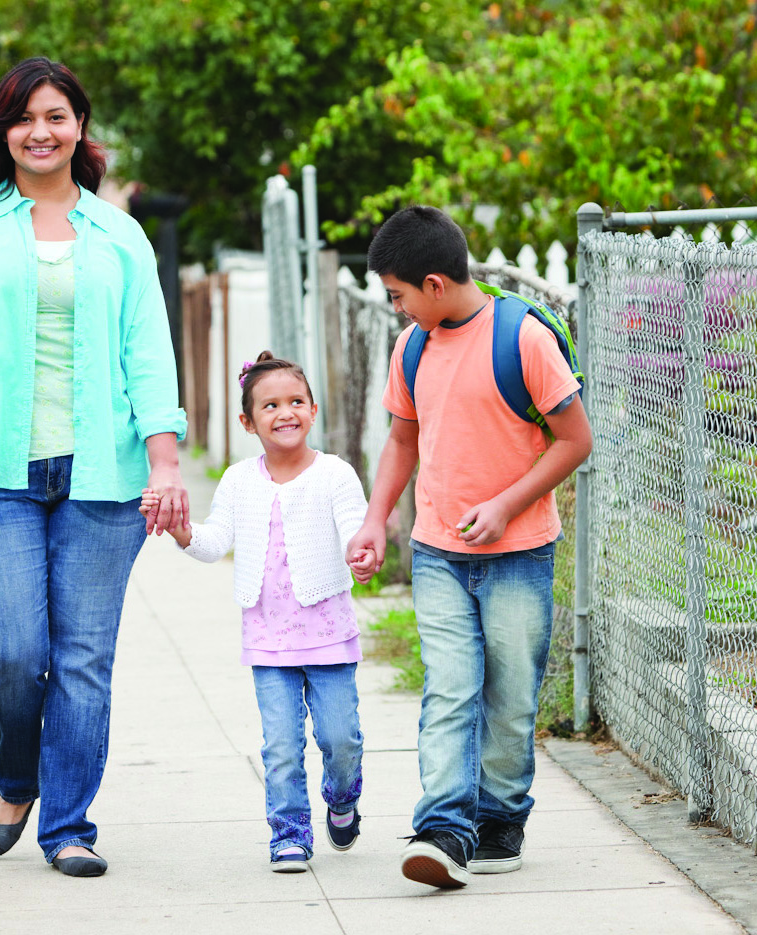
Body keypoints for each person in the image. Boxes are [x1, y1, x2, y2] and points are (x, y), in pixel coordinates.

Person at [0, 57, 188, 878]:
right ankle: (15, 772)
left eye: (56, 115)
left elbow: (148, 357)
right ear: (3, 131)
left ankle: (69, 826)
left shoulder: (118, 234)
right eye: (25, 118)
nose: (41, 131)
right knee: (14, 652)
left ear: (79, 127)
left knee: (84, 658)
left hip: (103, 478)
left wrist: (164, 463)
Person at [346, 206, 592, 889]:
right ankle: (443, 827)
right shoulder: (413, 347)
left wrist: (506, 503)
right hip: (437, 555)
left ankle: (500, 818)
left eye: (396, 294)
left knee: (510, 698)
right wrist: (375, 520)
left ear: (431, 282)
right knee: (450, 690)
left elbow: (574, 439)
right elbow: (401, 439)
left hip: (518, 555)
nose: (394, 308)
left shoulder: (522, 339)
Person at [140, 352, 375, 872]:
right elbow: (213, 542)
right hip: (269, 639)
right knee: (281, 746)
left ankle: (342, 796)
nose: (284, 412)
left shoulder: (335, 474)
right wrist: (179, 528)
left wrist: (361, 554)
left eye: (295, 401)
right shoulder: (238, 480)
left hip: (329, 634)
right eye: (270, 405)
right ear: (249, 421)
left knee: (341, 738)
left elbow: (354, 529)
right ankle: (289, 833)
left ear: (313, 410)